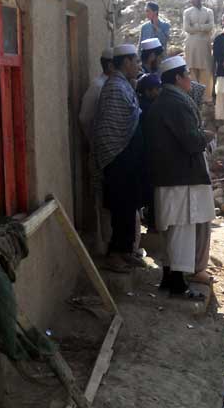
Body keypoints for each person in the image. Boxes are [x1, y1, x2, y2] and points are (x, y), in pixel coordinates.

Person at [143, 56, 214, 299]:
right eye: (187, 75)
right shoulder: (176, 103)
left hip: (171, 177)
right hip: (180, 178)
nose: (190, 79)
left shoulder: (165, 101)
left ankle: (169, 279)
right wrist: (205, 136)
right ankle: (178, 286)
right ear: (177, 77)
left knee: (173, 232)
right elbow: (191, 141)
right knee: (182, 230)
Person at [93, 44, 145, 273]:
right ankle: (115, 254)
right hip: (117, 157)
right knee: (120, 208)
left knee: (129, 206)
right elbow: (109, 128)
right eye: (135, 62)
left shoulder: (124, 85)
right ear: (125, 63)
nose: (138, 66)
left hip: (127, 158)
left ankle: (125, 251)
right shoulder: (114, 87)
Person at [79, 47, 114, 253]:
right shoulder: (98, 87)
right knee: (103, 203)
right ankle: (104, 247)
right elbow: (84, 118)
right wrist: (95, 141)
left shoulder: (109, 85)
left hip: (108, 152)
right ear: (110, 65)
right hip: (101, 152)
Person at [183, 0, 215, 103]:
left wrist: (196, 26)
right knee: (192, 70)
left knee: (206, 71)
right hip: (191, 45)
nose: (192, 0)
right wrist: (202, 27)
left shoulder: (208, 12)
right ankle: (194, 98)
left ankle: (206, 98)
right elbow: (187, 28)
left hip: (204, 45)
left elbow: (210, 26)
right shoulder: (187, 12)